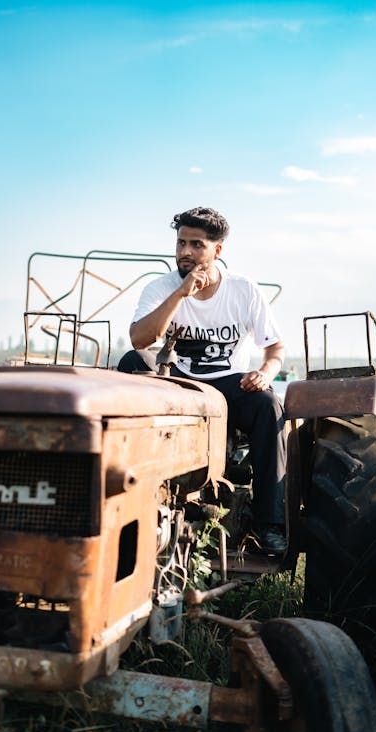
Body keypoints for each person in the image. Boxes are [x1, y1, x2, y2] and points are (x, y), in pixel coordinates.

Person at [118, 207, 286, 555]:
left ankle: (269, 525)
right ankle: (128, 503)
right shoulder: (161, 287)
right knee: (132, 362)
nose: (185, 252)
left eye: (196, 244)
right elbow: (139, 339)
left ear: (217, 251)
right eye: (181, 243)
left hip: (228, 387)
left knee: (270, 405)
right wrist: (180, 294)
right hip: (177, 383)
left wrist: (265, 374)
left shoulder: (244, 290)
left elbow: (275, 349)